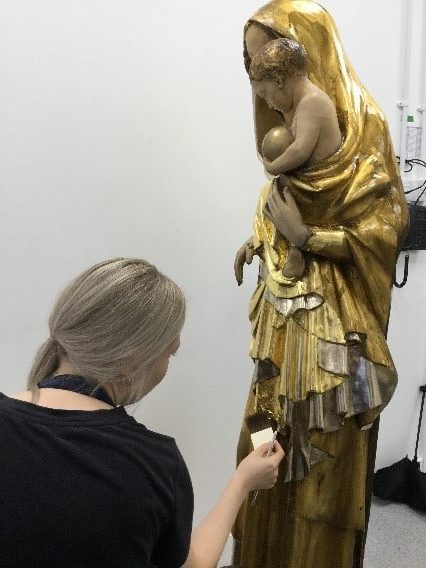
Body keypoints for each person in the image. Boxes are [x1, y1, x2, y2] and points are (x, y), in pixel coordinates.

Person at [232, 2, 409, 568]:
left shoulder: (365, 126)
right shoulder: (289, 131)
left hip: (339, 322)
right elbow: (280, 199)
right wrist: (263, 237)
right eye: (252, 66)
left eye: (265, 66)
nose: (262, 92)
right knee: (269, 428)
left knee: (327, 445)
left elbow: (383, 229)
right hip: (285, 310)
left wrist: (310, 238)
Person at [0, 257, 284, 568]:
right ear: (132, 359)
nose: (165, 367)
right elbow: (193, 564)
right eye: (170, 352)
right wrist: (243, 480)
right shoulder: (153, 463)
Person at [250, 36, 343, 279]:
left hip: (322, 181)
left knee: (287, 192)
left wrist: (273, 166)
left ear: (280, 81)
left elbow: (300, 150)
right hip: (309, 175)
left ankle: (296, 249)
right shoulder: (301, 103)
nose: (269, 104)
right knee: (278, 195)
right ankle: (274, 242)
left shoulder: (312, 102)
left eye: (267, 95)